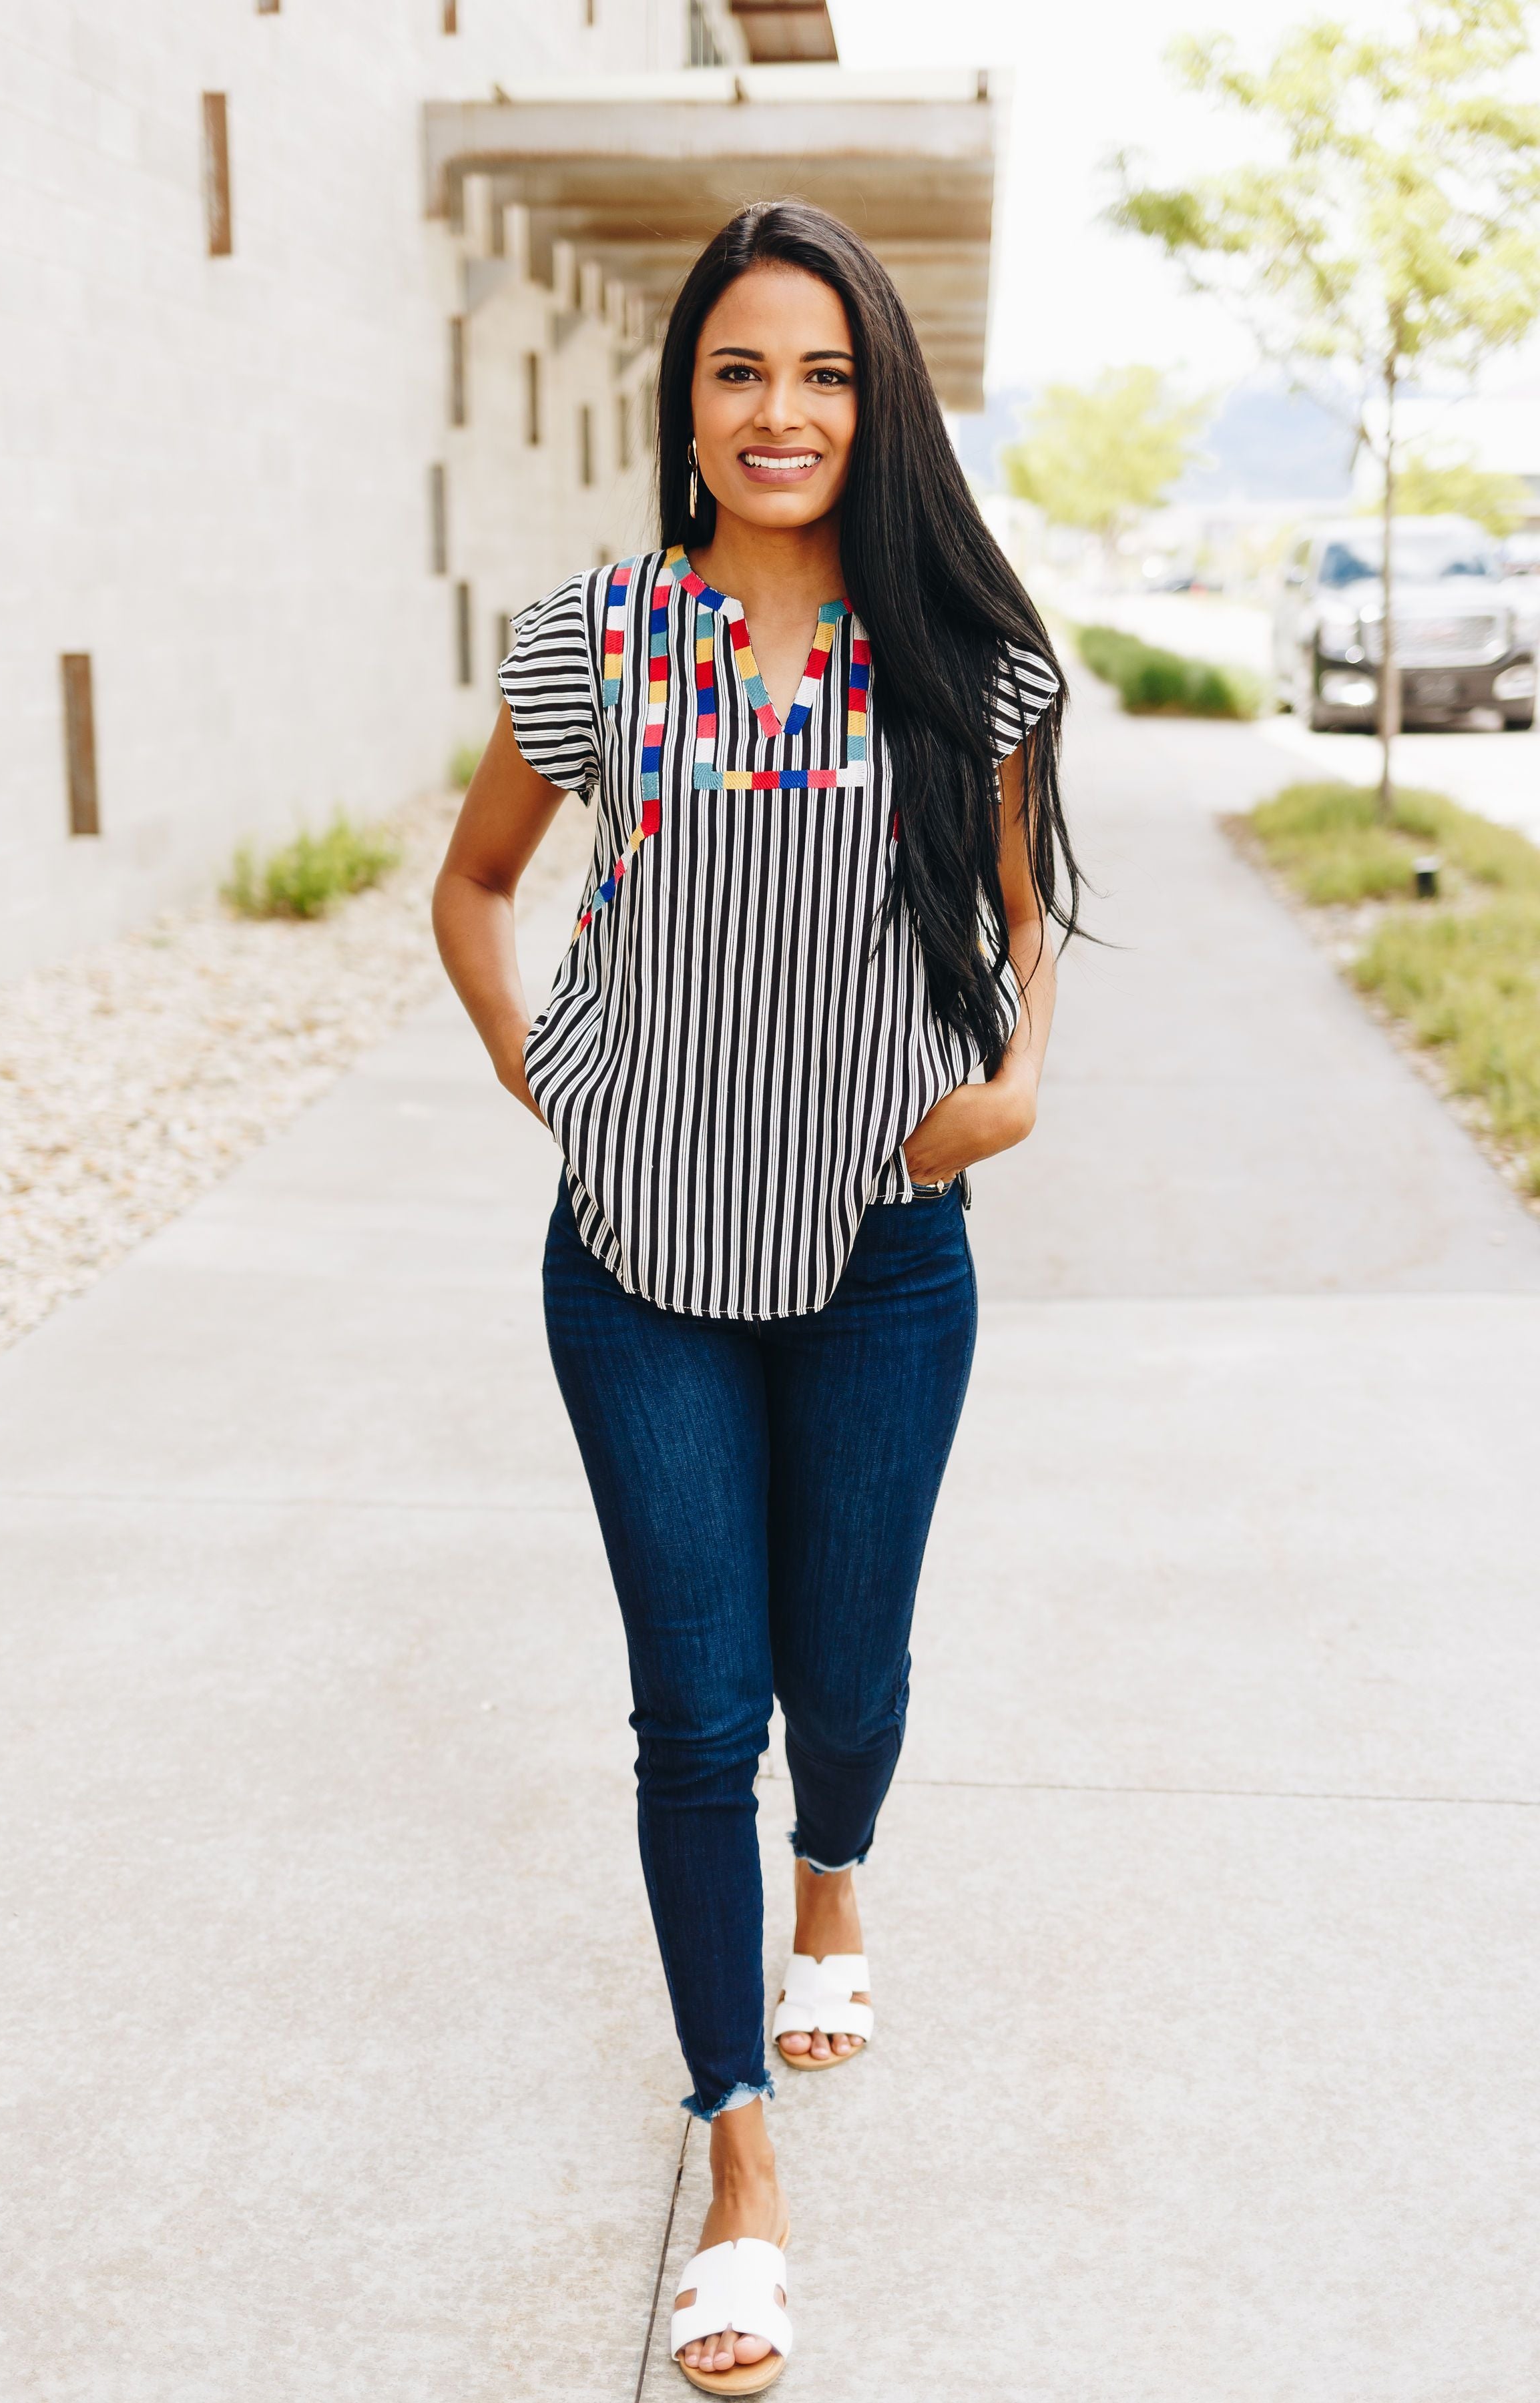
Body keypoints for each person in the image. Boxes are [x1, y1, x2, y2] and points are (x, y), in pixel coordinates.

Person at [433, 199, 1080, 2392]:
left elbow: (1021, 920)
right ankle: (741, 2156)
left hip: (889, 1257)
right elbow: (478, 882)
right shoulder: (591, 636)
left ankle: (840, 1874)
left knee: (851, 1679)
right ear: (685, 403)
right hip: (639, 1268)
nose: (780, 410)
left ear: (874, 396)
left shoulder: (957, 658)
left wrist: (1006, 1094)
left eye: (821, 371)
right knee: (694, 1707)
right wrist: (559, 1085)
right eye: (738, 370)